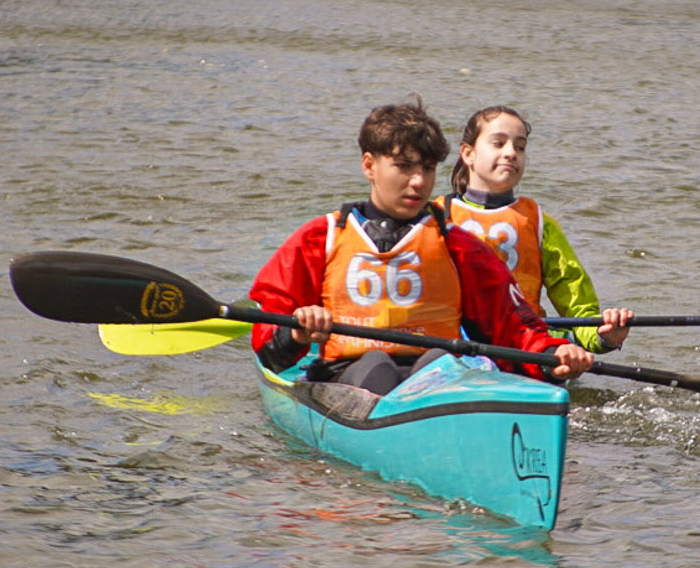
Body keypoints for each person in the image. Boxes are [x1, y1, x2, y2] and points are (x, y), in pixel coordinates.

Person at [247, 99, 596, 397]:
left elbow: (514, 329)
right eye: (404, 167)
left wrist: (554, 358)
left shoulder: (460, 247)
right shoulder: (320, 238)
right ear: (369, 166)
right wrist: (296, 333)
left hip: (434, 377)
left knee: (438, 363)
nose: (418, 182)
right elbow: (270, 343)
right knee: (377, 365)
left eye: (428, 169)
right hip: (349, 376)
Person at [440, 106, 633, 355]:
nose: (511, 153)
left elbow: (577, 307)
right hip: (454, 344)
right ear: (468, 153)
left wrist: (603, 337)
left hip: (525, 342)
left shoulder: (539, 223)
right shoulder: (436, 218)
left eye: (520, 147)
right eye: (498, 143)